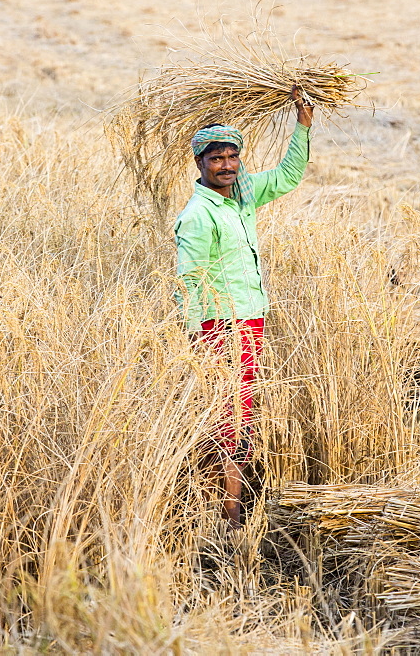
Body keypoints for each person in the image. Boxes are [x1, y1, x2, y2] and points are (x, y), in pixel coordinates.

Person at [175, 87, 313, 529]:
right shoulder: (199, 214)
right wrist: (197, 335)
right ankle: (229, 513)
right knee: (229, 415)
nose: (226, 166)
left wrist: (303, 127)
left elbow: (289, 176)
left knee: (242, 411)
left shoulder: (246, 191)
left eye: (232, 157)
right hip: (221, 326)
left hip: (251, 319)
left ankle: (227, 505)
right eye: (216, 159)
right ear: (199, 165)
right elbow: (187, 280)